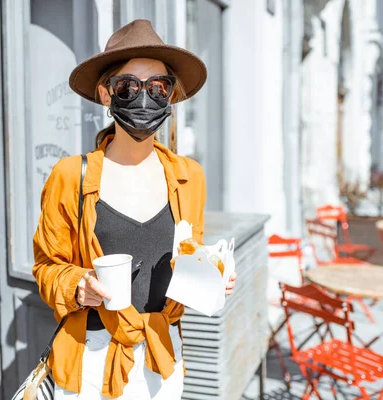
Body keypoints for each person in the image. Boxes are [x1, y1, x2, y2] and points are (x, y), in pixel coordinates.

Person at [32, 19, 237, 400]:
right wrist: (77, 286)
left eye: (159, 86)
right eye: (128, 86)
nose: (145, 98)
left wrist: (212, 276)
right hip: (90, 360)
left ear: (171, 97)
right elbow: (47, 265)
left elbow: (189, 256)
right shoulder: (69, 176)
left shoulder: (190, 176)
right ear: (106, 94)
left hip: (163, 357)